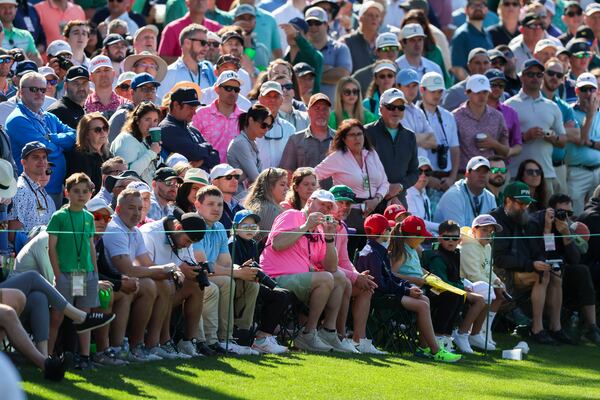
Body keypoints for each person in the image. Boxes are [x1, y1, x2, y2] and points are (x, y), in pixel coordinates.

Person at [259, 189, 352, 352]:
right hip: (275, 278)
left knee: (340, 277)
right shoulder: (292, 215)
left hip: (300, 279)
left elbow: (331, 267)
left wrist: (330, 238)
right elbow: (277, 244)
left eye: (329, 207)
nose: (325, 209)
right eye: (322, 203)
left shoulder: (320, 230)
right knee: (326, 278)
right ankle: (308, 333)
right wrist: (305, 226)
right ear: (310, 202)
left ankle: (328, 331)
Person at [491, 182, 566, 345]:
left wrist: (543, 260)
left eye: (527, 203)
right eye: (521, 203)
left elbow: (537, 250)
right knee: (541, 275)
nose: (525, 207)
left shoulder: (525, 220)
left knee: (555, 275)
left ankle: (556, 328)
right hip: (498, 275)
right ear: (508, 201)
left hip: (521, 269)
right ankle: (537, 329)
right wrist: (532, 265)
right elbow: (499, 259)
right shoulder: (496, 221)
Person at [381, 215, 462, 362]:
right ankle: (434, 347)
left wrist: (429, 275)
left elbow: (416, 268)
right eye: (421, 236)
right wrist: (416, 280)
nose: (424, 239)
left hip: (420, 287)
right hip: (407, 289)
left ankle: (427, 345)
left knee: (450, 295)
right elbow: (392, 274)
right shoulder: (401, 252)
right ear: (411, 236)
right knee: (437, 299)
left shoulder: (412, 249)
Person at [192, 185, 260, 355]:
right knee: (222, 283)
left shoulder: (220, 228)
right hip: (194, 275)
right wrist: (237, 272)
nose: (216, 208)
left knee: (250, 283)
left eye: (220, 204)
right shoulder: (194, 225)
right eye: (211, 204)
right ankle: (212, 340)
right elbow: (203, 264)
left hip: (213, 275)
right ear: (197, 205)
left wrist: (241, 270)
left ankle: (230, 338)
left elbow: (226, 263)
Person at [528, 194, 600, 345]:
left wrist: (566, 234)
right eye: (561, 212)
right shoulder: (538, 221)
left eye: (569, 213)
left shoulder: (568, 225)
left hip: (561, 269)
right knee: (552, 273)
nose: (565, 216)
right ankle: (541, 328)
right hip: (538, 267)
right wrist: (548, 229)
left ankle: (591, 326)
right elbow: (544, 253)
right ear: (551, 210)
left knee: (582, 270)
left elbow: (576, 259)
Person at [139, 206, 210, 358]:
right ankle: (160, 343)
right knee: (167, 283)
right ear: (178, 227)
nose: (188, 246)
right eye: (187, 241)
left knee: (197, 284)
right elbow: (145, 268)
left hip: (168, 289)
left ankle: (188, 341)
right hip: (148, 290)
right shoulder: (150, 233)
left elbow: (186, 262)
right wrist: (178, 269)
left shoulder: (181, 236)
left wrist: (195, 271)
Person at [47, 173, 101, 369]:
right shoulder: (59, 216)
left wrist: (95, 271)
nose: (81, 195)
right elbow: (51, 247)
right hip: (66, 274)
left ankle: (84, 356)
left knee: (83, 317)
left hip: (84, 274)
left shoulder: (88, 217)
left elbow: (90, 246)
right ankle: (48, 354)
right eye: (76, 191)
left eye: (85, 191)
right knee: (57, 316)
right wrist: (58, 274)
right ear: (66, 192)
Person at [315, 118, 389, 254]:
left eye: (359, 134)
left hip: (375, 211)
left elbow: (384, 182)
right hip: (348, 213)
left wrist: (376, 200)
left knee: (372, 255)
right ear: (343, 139)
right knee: (348, 254)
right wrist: (326, 200)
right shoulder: (337, 157)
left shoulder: (371, 154)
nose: (357, 138)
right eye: (352, 135)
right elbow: (314, 175)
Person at [6, 71, 76, 207]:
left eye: (43, 90)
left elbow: (74, 136)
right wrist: (61, 145)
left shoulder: (49, 117)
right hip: (30, 192)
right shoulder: (17, 119)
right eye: (33, 89)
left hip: (54, 189)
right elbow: (45, 150)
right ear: (21, 92)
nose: (39, 93)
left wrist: (52, 138)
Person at [227, 209, 292, 354]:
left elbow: (256, 266)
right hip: (240, 285)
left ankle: (264, 336)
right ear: (235, 227)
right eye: (245, 226)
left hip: (253, 282)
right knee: (279, 296)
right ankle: (260, 339)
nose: (250, 230)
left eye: (253, 227)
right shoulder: (233, 243)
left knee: (284, 294)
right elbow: (235, 269)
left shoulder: (252, 244)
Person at [422, 220, 487, 354]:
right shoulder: (437, 257)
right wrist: (460, 288)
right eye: (446, 238)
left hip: (451, 289)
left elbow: (457, 278)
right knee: (453, 297)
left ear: (459, 240)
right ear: (440, 238)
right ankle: (439, 336)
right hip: (435, 290)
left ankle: (449, 336)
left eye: (455, 238)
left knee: (459, 296)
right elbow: (440, 281)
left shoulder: (456, 254)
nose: (451, 241)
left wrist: (461, 286)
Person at [506, 59, 566, 195]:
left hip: (546, 175)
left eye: (539, 75)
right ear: (521, 76)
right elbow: (502, 140)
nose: (535, 78)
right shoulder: (509, 105)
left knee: (546, 215)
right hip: (517, 174)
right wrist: (524, 137)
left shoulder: (552, 106)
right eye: (530, 74)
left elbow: (563, 141)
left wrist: (551, 137)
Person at [364, 88, 418, 206]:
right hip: (371, 203)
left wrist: (399, 186)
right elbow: (360, 169)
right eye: (391, 107)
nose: (396, 111)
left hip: (399, 204)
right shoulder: (366, 132)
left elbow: (414, 173)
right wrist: (385, 188)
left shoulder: (410, 136)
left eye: (400, 107)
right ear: (381, 108)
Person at [417, 72, 460, 205]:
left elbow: (454, 149)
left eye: (440, 91)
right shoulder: (413, 114)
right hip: (421, 180)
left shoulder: (448, 116)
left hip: (446, 180)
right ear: (422, 90)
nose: (437, 95)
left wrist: (452, 178)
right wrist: (428, 179)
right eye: (433, 91)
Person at [453, 74, 509, 171]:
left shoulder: (497, 116)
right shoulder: (455, 116)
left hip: (490, 174)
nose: (482, 96)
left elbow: (506, 151)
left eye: (485, 92)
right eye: (477, 92)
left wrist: (494, 144)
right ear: (467, 93)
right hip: (463, 173)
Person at [280, 94, 336, 188]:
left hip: (334, 199)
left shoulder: (340, 139)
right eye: (317, 109)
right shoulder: (295, 140)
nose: (321, 113)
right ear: (308, 112)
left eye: (325, 109)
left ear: (329, 112)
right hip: (305, 199)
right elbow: (287, 173)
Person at [7, 142, 55, 250]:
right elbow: (12, 234)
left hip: (39, 255)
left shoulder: (38, 189)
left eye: (44, 157)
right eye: (36, 157)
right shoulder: (20, 190)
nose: (42, 162)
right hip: (25, 259)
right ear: (23, 162)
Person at [160, 87, 220, 171]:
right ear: (176, 105)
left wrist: (202, 161)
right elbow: (194, 153)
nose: (194, 112)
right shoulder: (166, 128)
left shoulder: (193, 129)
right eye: (190, 108)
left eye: (195, 108)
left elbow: (216, 157)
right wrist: (208, 147)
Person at [566, 73, 600, 215]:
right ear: (576, 91)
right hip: (576, 171)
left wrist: (588, 142)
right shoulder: (568, 111)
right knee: (576, 215)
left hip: (598, 170)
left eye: (591, 89)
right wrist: (590, 115)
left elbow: (584, 140)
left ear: (597, 91)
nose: (588, 93)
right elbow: (581, 140)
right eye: (584, 89)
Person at [192, 70, 244, 163]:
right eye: (228, 88)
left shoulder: (244, 117)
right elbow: (191, 144)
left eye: (236, 90)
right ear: (217, 89)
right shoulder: (201, 114)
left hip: (235, 175)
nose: (232, 92)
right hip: (207, 173)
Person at [158, 24, 217, 100]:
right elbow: (162, 105)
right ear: (187, 43)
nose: (207, 47)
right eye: (203, 43)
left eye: (208, 44)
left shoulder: (210, 71)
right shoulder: (169, 73)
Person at [434, 156, 497, 227]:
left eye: (485, 172)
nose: (482, 175)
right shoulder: (453, 196)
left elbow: (492, 229)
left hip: (476, 237)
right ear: (467, 174)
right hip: (451, 237)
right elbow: (459, 233)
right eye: (477, 171)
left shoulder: (490, 197)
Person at [110, 101, 162, 185]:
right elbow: (128, 174)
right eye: (147, 120)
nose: (152, 125)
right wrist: (151, 153)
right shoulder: (126, 140)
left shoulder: (145, 140)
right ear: (137, 120)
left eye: (155, 120)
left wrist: (157, 152)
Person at [227, 103, 273, 193]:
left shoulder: (251, 142)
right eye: (264, 125)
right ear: (251, 121)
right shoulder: (241, 143)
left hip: (245, 194)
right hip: (237, 196)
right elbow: (255, 177)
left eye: (269, 126)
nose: (266, 129)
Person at [108, 73, 162, 143]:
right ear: (132, 92)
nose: (149, 93)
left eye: (152, 89)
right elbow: (112, 148)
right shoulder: (122, 115)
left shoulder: (155, 116)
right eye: (144, 89)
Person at [64, 113, 111, 195]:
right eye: (97, 130)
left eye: (105, 128)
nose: (103, 132)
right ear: (86, 134)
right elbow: (81, 189)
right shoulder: (79, 156)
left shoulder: (108, 154)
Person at [255, 81, 296, 169]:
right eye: (268, 96)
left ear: (281, 100)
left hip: (281, 181)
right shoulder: (249, 126)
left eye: (276, 96)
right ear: (260, 98)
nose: (272, 100)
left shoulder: (289, 129)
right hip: (255, 181)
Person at [484, 68, 523, 162]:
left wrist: (507, 151)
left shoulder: (510, 112)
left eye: (501, 86)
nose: (497, 88)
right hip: (478, 168)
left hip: (502, 168)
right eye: (493, 85)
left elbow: (518, 144)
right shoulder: (475, 109)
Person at [396, 69, 437, 155]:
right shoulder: (394, 110)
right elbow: (403, 140)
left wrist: (414, 138)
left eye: (414, 85)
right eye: (407, 86)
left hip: (423, 165)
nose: (411, 89)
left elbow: (433, 141)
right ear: (398, 86)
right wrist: (423, 138)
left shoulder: (419, 111)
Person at [451, 0, 493, 80]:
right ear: (465, 10)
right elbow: (457, 69)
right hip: (468, 90)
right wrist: (474, 86)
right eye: (473, 6)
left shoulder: (487, 34)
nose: (478, 8)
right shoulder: (461, 35)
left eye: (481, 5)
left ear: (486, 10)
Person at [244, 167, 288, 243]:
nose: (286, 188)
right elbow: (269, 242)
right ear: (270, 186)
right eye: (282, 184)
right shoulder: (269, 208)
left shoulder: (260, 205)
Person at [341, 1, 383, 73]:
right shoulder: (346, 42)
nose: (374, 18)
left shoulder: (383, 41)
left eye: (377, 16)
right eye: (370, 15)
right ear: (361, 18)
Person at [0, 0, 42, 65]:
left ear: (16, 9)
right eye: (3, 7)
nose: (7, 11)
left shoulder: (26, 35)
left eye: (10, 7)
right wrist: (27, 59)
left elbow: (39, 63)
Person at [406, 156, 438, 235]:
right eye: (419, 171)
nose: (423, 175)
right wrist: (441, 227)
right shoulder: (407, 194)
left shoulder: (425, 195)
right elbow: (417, 222)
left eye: (427, 172)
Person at [209, 164, 244, 231]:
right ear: (215, 181)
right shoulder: (208, 206)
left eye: (236, 177)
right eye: (228, 177)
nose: (234, 181)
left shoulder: (241, 208)